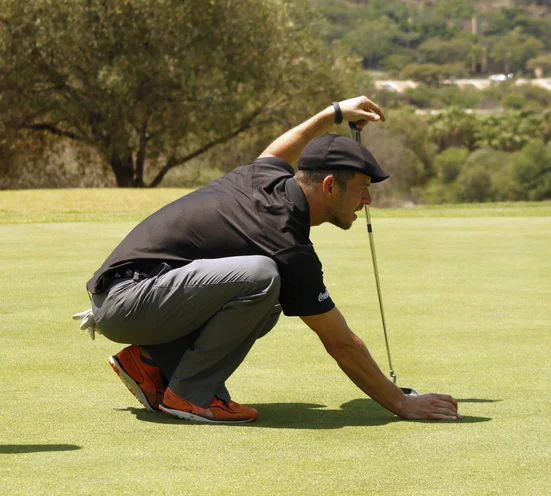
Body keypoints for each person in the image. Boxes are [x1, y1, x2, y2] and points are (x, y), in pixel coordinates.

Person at [78, 96, 461, 424]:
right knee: (262, 275)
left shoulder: (267, 175)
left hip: (134, 294)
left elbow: (280, 149)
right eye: (362, 189)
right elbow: (340, 342)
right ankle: (190, 394)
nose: (368, 201)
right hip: (128, 299)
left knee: (270, 297)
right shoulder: (287, 244)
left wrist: (334, 113)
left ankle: (151, 363)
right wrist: (400, 402)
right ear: (329, 186)